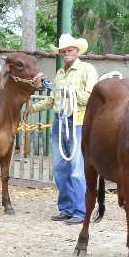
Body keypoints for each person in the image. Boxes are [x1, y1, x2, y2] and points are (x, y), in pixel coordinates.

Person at [32, 33, 98, 225]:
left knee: (76, 167)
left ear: (77, 52)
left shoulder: (87, 70)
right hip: (60, 121)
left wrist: (69, 93)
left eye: (70, 50)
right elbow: (54, 98)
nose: (67, 53)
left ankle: (80, 211)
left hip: (77, 121)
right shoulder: (60, 73)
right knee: (60, 167)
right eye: (64, 51)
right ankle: (66, 208)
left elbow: (91, 97)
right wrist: (33, 108)